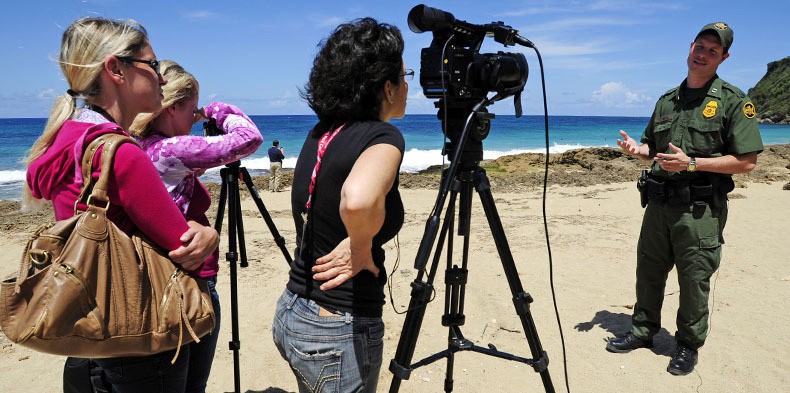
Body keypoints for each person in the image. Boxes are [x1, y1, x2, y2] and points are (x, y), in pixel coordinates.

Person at [25, 17, 219, 392]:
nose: (162, 78)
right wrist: (208, 235)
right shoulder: (121, 153)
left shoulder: (68, 136)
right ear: (116, 69)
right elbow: (186, 249)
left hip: (91, 316)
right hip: (141, 325)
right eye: (153, 64)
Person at [607, 22, 763, 376]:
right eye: (700, 46)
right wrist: (639, 150)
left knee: (694, 280)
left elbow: (747, 162)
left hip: (699, 210)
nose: (703, 54)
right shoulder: (666, 100)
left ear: (724, 57)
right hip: (658, 205)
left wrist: (693, 163)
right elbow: (654, 149)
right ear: (690, 47)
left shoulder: (734, 102)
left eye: (713, 50)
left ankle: (687, 345)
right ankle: (643, 331)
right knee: (648, 271)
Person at [271, 17, 407, 393]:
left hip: (294, 309)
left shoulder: (323, 133)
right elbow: (358, 200)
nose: (408, 85)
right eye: (403, 74)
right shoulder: (383, 136)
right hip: (335, 328)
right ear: (387, 87)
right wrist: (361, 246)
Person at [129, 60, 263, 393]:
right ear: (173, 108)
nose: (196, 118)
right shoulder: (170, 149)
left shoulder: (140, 144)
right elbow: (249, 138)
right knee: (192, 385)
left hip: (160, 281)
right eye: (192, 110)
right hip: (188, 283)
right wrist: (217, 110)